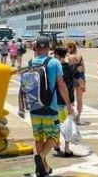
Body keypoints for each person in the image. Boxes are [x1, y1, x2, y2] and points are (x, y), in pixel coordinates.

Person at [27, 36, 74, 177]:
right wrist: (68, 104)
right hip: (50, 107)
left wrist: (22, 105)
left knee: (39, 138)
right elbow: (61, 85)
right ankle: (41, 156)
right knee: (54, 136)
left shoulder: (31, 62)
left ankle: (44, 168)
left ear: (35, 48)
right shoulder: (54, 62)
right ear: (48, 48)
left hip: (34, 107)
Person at [52, 46, 77, 158]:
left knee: (56, 123)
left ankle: (57, 144)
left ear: (57, 55)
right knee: (68, 124)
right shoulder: (71, 67)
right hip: (68, 100)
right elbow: (77, 80)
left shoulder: (54, 68)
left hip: (56, 100)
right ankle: (67, 148)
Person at [66, 42, 86, 123]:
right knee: (79, 99)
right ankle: (78, 117)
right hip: (80, 78)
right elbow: (83, 69)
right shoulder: (80, 56)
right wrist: (83, 82)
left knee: (70, 98)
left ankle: (71, 115)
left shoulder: (69, 57)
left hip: (71, 78)